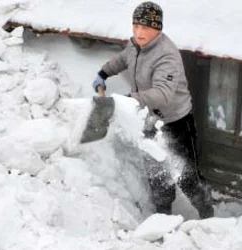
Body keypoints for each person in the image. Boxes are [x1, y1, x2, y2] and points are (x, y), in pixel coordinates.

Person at [91, 1, 214, 218]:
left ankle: (208, 214)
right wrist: (103, 73)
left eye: (145, 27)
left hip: (175, 123)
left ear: (158, 29)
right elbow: (122, 59)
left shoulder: (167, 55)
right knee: (157, 174)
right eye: (136, 26)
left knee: (186, 178)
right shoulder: (136, 45)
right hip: (148, 119)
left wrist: (131, 100)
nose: (139, 32)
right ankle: (162, 218)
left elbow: (163, 94)